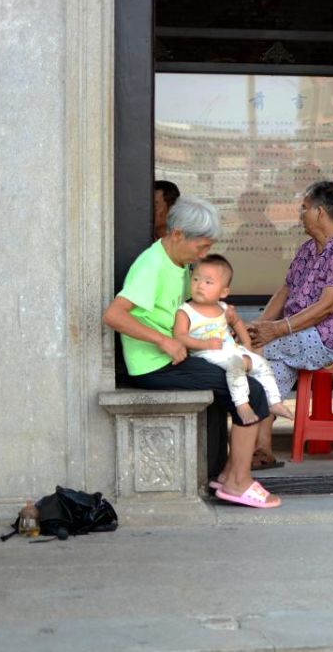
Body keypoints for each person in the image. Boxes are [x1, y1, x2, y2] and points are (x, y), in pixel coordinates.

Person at [103, 196, 281, 509]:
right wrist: (164, 340)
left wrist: (222, 314)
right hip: (155, 365)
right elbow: (114, 315)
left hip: (184, 356)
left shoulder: (182, 264)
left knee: (250, 381)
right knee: (250, 393)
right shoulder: (151, 265)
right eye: (200, 247)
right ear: (177, 235)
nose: (203, 255)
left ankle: (229, 476)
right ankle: (238, 482)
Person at [247, 181, 333, 457]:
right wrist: (259, 326)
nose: (299, 214)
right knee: (266, 359)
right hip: (303, 336)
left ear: (319, 213)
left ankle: (255, 443)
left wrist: (277, 329)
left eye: (303, 208)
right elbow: (286, 290)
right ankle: (263, 448)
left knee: (259, 350)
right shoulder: (306, 249)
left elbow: (329, 305)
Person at [173, 253, 294, 427]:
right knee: (236, 365)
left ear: (223, 292)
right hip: (207, 354)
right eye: (196, 279)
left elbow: (238, 324)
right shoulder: (186, 311)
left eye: (208, 282)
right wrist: (204, 344)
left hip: (230, 351)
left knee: (262, 363)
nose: (200, 286)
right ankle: (241, 405)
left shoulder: (224, 309)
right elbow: (179, 336)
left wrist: (247, 346)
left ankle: (274, 402)